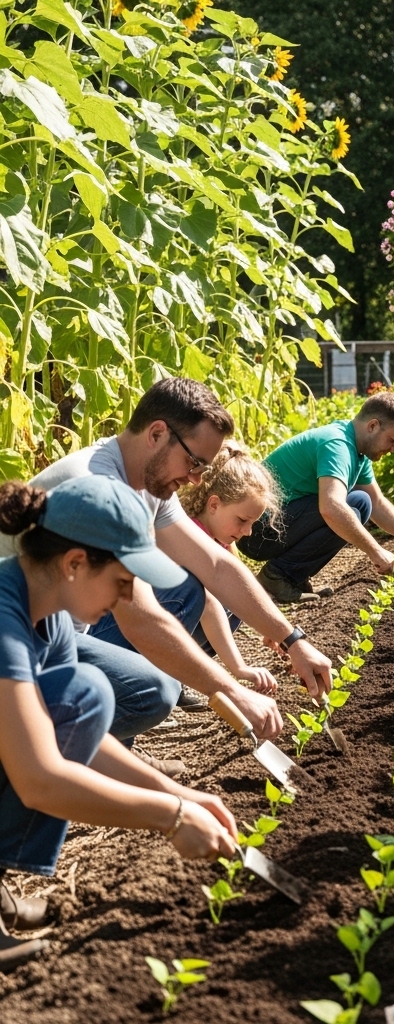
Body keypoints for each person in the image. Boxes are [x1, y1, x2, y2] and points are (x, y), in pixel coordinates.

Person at [0, 477, 237, 969]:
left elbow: (73, 735)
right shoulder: (4, 619)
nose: (128, 595)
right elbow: (39, 777)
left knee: (83, 694)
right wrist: (168, 818)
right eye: (123, 581)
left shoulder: (51, 613)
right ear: (74, 564)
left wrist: (182, 797)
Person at [20, 378, 334, 749]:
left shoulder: (144, 483)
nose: (195, 479)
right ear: (156, 433)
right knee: (150, 690)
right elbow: (141, 620)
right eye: (193, 462)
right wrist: (231, 689)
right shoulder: (101, 489)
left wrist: (293, 640)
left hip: (56, 634)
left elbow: (215, 565)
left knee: (186, 588)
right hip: (22, 644)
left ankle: (103, 753)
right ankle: (35, 755)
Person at [240, 392, 394, 602]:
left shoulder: (356, 449)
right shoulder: (337, 445)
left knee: (361, 502)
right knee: (344, 510)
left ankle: (293, 577)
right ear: (372, 426)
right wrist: (376, 551)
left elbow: (377, 503)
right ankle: (277, 576)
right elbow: (331, 507)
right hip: (255, 530)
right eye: (392, 440)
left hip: (275, 525)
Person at [178, 443, 281, 694]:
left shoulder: (219, 537)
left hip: (173, 624)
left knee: (240, 597)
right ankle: (172, 672)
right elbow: (208, 605)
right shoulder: (190, 536)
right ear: (213, 504)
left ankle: (176, 676)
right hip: (144, 632)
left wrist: (272, 627)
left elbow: (242, 581)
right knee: (226, 602)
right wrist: (239, 668)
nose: (247, 532)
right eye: (243, 520)